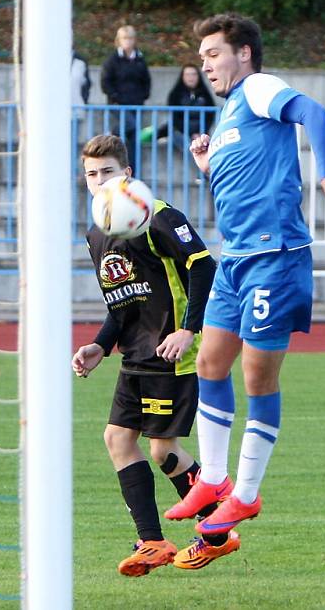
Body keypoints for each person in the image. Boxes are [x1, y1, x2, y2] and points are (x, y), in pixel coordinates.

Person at [162, 13, 325, 538]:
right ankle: (211, 478)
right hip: (235, 258)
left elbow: (313, 112)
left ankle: (245, 496)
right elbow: (245, 180)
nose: (205, 64)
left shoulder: (257, 88)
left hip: (276, 257)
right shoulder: (229, 112)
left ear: (244, 53)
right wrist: (207, 164)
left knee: (256, 375)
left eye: (213, 54)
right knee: (208, 362)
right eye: (202, 57)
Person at [71, 134, 238, 576]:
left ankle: (218, 532)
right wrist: (99, 345)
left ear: (127, 174)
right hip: (135, 354)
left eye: (108, 172)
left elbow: (203, 265)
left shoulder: (159, 216)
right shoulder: (97, 232)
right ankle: (152, 542)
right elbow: (122, 303)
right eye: (92, 174)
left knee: (163, 447)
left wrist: (189, 330)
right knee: (118, 439)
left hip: (172, 352)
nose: (100, 180)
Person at [100, 25, 152, 170]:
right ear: (119, 40)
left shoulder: (140, 60)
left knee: (134, 139)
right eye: (124, 38)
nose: (128, 42)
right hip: (117, 104)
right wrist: (115, 97)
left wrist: (143, 96)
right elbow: (105, 81)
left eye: (130, 38)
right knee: (131, 125)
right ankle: (112, 133)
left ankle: (132, 170)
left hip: (136, 104)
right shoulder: (112, 60)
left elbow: (146, 81)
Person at [141, 64, 217, 147]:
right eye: (187, 74)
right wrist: (190, 133)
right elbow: (175, 117)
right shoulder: (175, 94)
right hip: (180, 132)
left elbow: (210, 116)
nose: (191, 77)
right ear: (182, 76)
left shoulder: (205, 94)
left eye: (194, 74)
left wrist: (201, 132)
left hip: (200, 133)